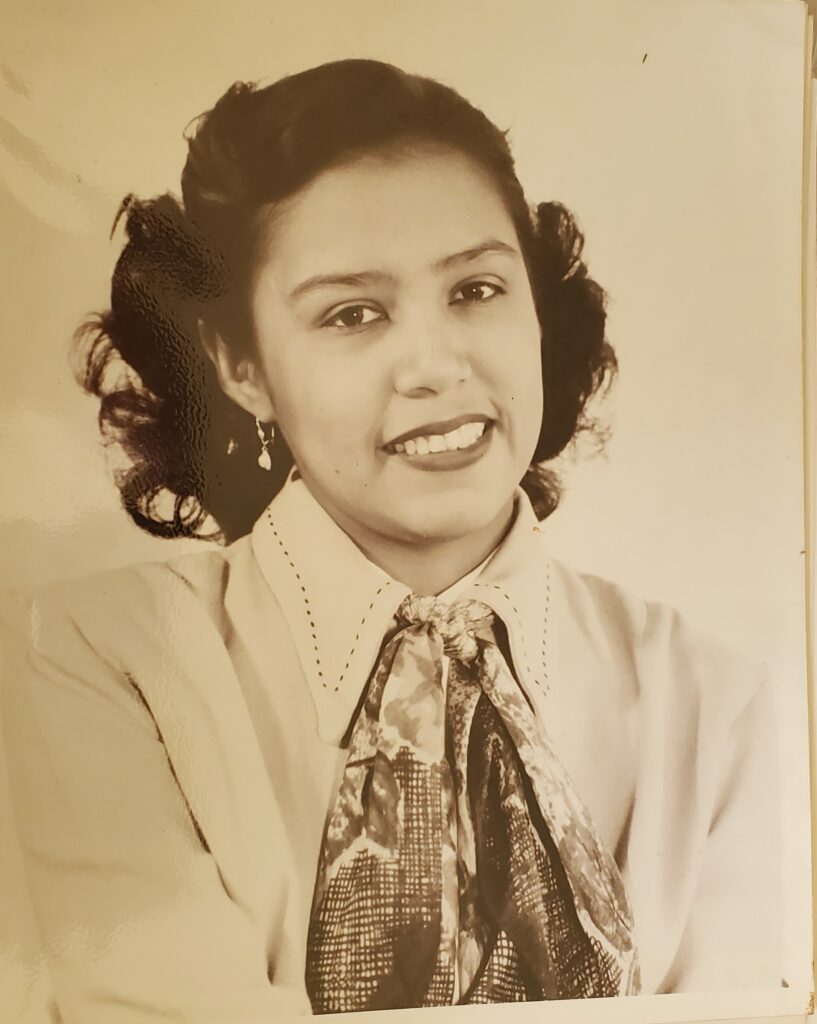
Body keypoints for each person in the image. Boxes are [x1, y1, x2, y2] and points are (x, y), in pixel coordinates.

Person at [0, 59, 781, 1021]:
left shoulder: (712, 701)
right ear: (242, 365)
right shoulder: (91, 659)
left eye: (476, 290)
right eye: (352, 313)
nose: (435, 365)